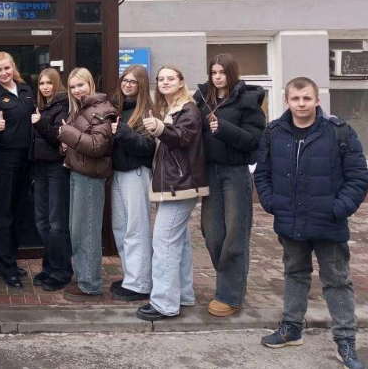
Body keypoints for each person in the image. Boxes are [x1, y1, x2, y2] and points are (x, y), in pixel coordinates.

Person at [255, 77, 368, 369]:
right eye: (296, 99)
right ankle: (291, 328)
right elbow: (263, 173)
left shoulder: (339, 131)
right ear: (287, 101)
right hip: (290, 220)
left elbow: (358, 177)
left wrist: (338, 209)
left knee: (337, 281)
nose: (301, 104)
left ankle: (345, 341)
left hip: (329, 222)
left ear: (317, 100)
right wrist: (272, 203)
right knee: (295, 273)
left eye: (307, 98)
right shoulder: (274, 132)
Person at [194, 54, 266, 317]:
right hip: (209, 172)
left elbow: (254, 140)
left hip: (235, 172)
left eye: (222, 72)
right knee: (212, 234)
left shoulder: (247, 100)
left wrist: (223, 128)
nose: (217, 77)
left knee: (235, 234)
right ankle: (229, 282)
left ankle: (230, 294)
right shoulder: (202, 99)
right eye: (214, 72)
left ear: (231, 73)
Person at [136, 65, 209, 322]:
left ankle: (164, 303)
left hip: (180, 186)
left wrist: (159, 128)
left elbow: (181, 137)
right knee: (179, 242)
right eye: (161, 79)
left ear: (181, 82)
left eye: (171, 78)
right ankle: (183, 295)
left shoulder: (188, 110)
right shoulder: (171, 109)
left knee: (164, 242)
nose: (165, 82)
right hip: (174, 185)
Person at [57, 67, 116, 302]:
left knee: (87, 230)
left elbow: (97, 146)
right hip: (78, 173)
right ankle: (84, 276)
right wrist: (66, 144)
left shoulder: (101, 109)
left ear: (90, 84)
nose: (76, 90)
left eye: (80, 85)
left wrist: (67, 134)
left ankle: (90, 284)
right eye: (72, 87)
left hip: (90, 177)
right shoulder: (82, 109)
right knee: (78, 229)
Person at [0, 52, 36, 289]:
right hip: (5, 160)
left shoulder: (26, 90)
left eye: (6, 68)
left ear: (13, 67)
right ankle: (6, 266)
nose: (3, 73)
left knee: (19, 211)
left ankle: (10, 259)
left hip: (27, 158)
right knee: (4, 214)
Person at [109, 65, 156, 303]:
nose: (127, 85)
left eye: (133, 81)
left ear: (141, 84)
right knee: (121, 228)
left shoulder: (146, 110)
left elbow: (148, 147)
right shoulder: (118, 107)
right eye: (124, 80)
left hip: (137, 173)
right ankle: (131, 276)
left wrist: (123, 132)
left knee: (136, 229)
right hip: (118, 173)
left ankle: (140, 283)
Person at [30, 68, 72, 292]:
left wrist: (39, 123)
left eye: (49, 83)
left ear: (57, 84)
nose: (45, 87)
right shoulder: (42, 107)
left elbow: (59, 137)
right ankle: (49, 266)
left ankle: (62, 270)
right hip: (40, 167)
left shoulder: (63, 105)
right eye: (41, 83)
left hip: (56, 168)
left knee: (57, 222)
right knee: (42, 220)